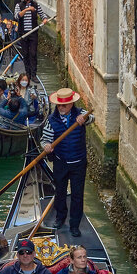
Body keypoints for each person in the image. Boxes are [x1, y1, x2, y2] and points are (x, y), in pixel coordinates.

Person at [40, 87, 93, 236]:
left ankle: (74, 225)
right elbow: (45, 139)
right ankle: (60, 218)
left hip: (78, 163)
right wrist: (46, 146)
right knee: (60, 192)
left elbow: (92, 118)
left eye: (64, 105)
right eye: (59, 105)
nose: (61, 108)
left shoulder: (81, 115)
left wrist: (85, 119)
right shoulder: (51, 120)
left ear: (71, 104)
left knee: (77, 195)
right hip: (60, 162)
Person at [14, 0, 48, 83]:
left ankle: (33, 75)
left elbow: (42, 15)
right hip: (23, 34)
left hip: (33, 33)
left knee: (33, 54)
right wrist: (28, 9)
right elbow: (17, 16)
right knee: (26, 54)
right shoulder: (19, 5)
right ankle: (27, 74)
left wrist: (45, 19)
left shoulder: (35, 4)